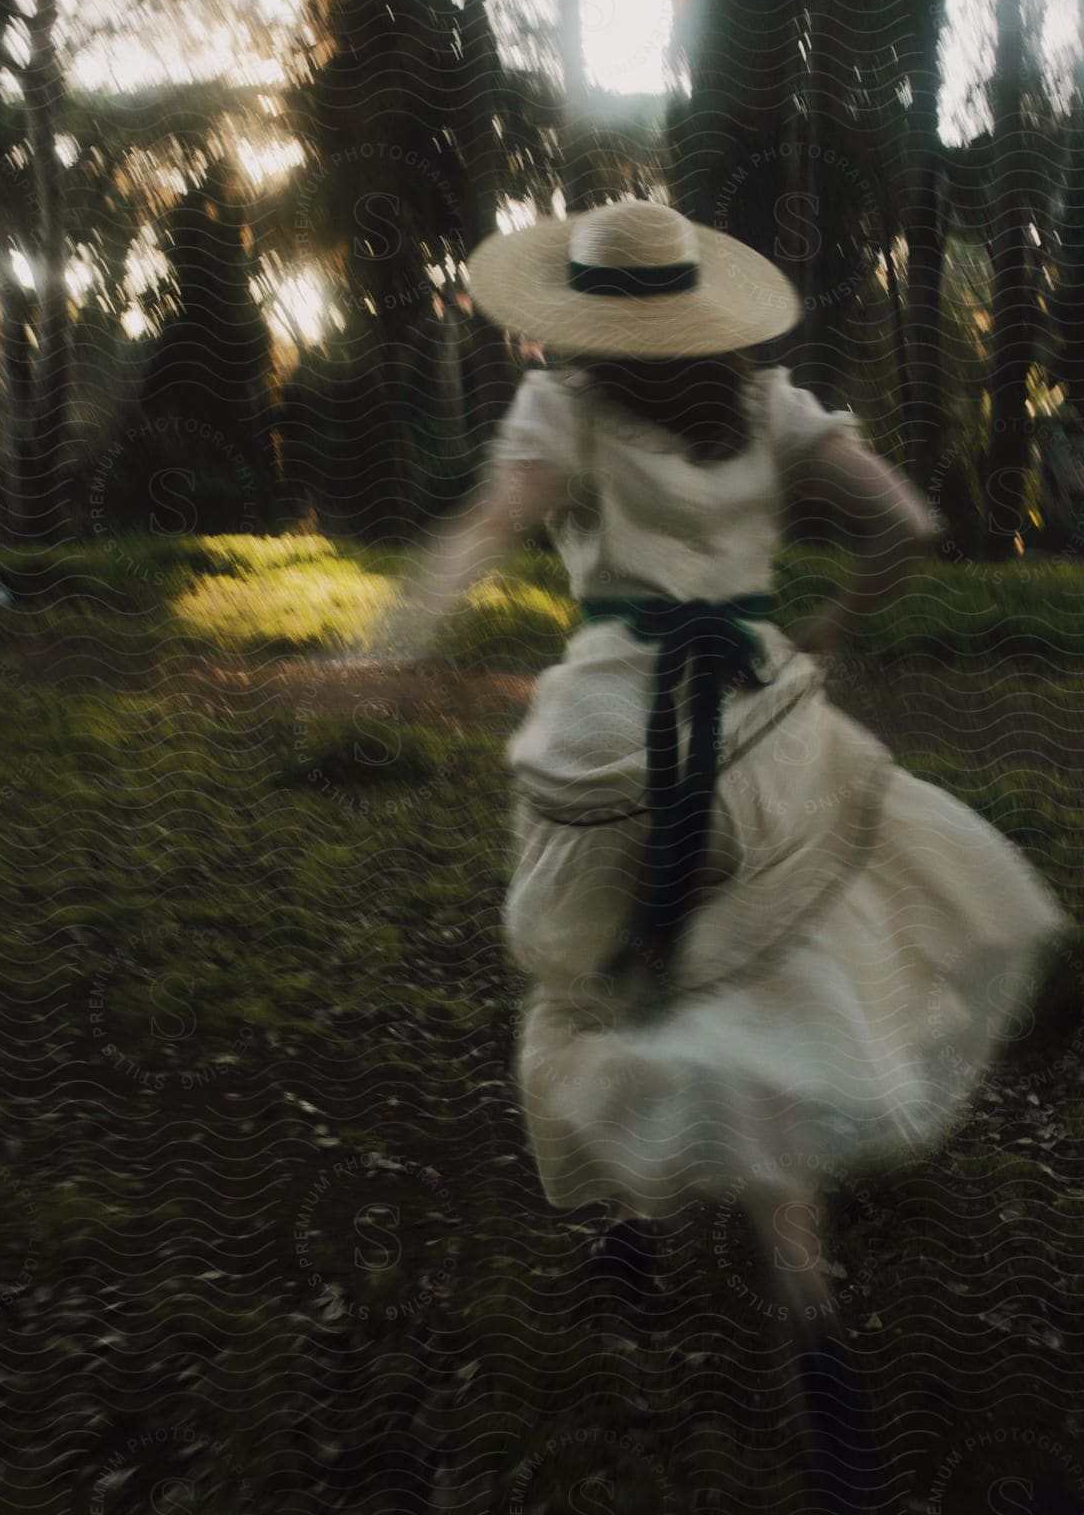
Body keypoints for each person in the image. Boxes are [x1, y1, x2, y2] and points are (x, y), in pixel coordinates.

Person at [365, 197, 1070, 1492]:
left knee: (627, 974)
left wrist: (392, 637)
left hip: (611, 747)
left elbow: (489, 529)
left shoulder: (561, 412)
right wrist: (826, 637)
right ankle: (810, 1327)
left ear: (579, 315)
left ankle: (637, 1221)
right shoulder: (775, 408)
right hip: (759, 726)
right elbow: (910, 526)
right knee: (754, 987)